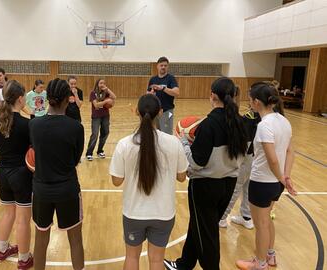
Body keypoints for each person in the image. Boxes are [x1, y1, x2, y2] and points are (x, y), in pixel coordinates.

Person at [164, 77, 248, 270]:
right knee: (200, 226)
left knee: (207, 234)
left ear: (212, 95)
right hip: (229, 184)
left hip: (205, 186)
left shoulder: (209, 124)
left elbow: (197, 162)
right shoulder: (240, 123)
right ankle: (184, 264)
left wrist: (183, 142)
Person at [110, 94, 188, 270]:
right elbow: (182, 177)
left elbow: (116, 180)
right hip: (163, 213)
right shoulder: (173, 143)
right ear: (160, 112)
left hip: (134, 212)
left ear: (136, 112)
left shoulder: (124, 144)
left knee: (131, 257)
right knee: (157, 261)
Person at [236, 83, 296, 270]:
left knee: (260, 224)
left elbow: (272, 160)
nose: (249, 103)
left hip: (262, 182)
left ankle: (259, 263)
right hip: (275, 184)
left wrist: (281, 178)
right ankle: (270, 256)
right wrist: (285, 177)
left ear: (256, 102)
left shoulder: (264, 125)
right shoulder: (284, 121)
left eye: (251, 100)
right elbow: (290, 151)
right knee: (267, 219)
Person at [30, 78, 85, 270]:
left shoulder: (34, 126)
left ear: (47, 98)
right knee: (75, 240)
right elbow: (76, 159)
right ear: (67, 99)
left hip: (41, 190)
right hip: (67, 189)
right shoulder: (76, 128)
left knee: (41, 239)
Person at [0, 80, 33, 269]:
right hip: (21, 174)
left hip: (3, 172)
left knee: (8, 213)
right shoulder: (27, 124)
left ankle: (2, 249)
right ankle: (24, 259)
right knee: (23, 218)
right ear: (20, 98)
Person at [219, 87, 261, 230]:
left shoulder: (251, 118)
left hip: (249, 155)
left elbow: (245, 139)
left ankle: (223, 217)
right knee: (248, 185)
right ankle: (246, 216)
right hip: (257, 158)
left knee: (236, 186)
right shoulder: (268, 116)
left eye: (250, 99)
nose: (248, 102)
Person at [85, 78, 116, 161]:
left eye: (104, 83)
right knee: (95, 134)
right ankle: (89, 153)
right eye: (100, 83)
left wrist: (108, 90)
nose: (102, 84)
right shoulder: (93, 93)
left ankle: (100, 151)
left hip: (105, 116)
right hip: (96, 116)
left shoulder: (105, 92)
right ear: (97, 84)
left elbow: (114, 97)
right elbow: (96, 105)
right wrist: (106, 102)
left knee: (105, 133)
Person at [147, 57, 179, 135]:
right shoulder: (153, 79)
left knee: (167, 134)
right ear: (157, 66)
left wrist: (163, 88)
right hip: (155, 112)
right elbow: (147, 93)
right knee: (155, 134)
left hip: (167, 111)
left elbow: (176, 92)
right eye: (161, 65)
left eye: (165, 65)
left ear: (167, 67)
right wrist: (150, 94)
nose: (163, 67)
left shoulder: (171, 78)